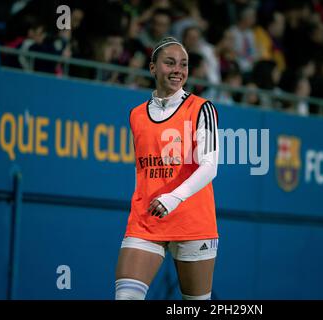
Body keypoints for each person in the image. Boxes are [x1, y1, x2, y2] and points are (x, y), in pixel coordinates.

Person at [115, 37, 219, 300]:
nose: (178, 70)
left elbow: (210, 166)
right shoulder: (136, 114)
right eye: (169, 63)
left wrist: (173, 198)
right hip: (147, 219)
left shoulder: (201, 108)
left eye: (183, 64)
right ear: (152, 68)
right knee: (126, 298)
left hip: (192, 221)